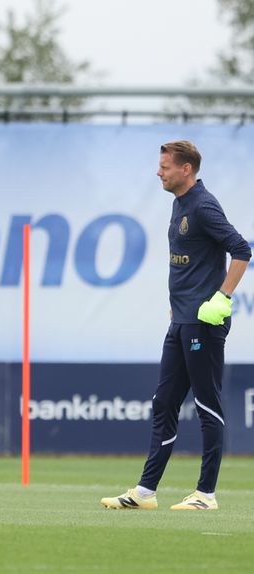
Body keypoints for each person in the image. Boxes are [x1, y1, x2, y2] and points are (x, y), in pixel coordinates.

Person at [101, 141, 250, 511]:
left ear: (186, 169)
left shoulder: (203, 205)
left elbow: (242, 250)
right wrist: (176, 303)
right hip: (180, 321)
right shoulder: (178, 203)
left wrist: (223, 297)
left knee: (206, 405)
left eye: (165, 166)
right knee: (164, 402)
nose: (159, 172)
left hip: (204, 323)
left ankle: (206, 495)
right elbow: (186, 263)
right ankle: (145, 492)